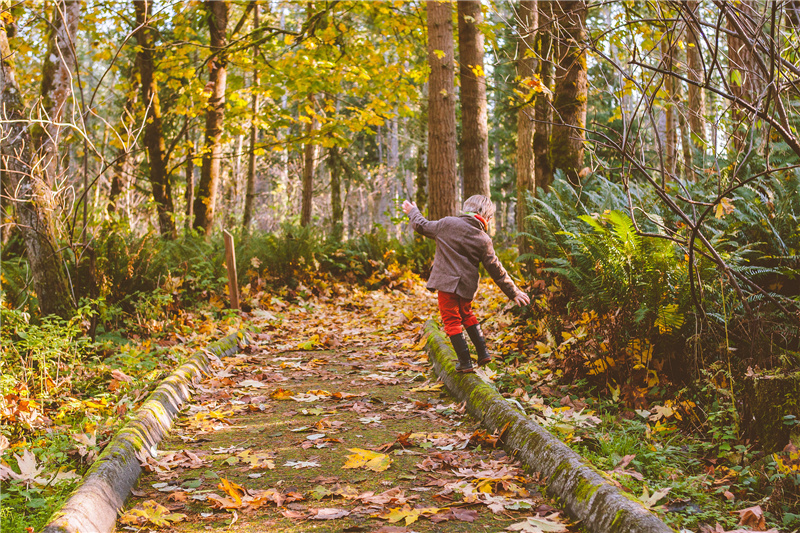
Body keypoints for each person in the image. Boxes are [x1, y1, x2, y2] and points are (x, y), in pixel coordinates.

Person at [402, 195, 530, 373]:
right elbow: (496, 269)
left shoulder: (447, 224)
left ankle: (465, 363)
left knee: (451, 320)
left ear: (465, 208)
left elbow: (421, 225)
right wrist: (514, 292)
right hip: (466, 287)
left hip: (446, 284)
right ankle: (483, 353)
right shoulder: (483, 239)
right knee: (466, 314)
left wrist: (413, 211)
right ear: (488, 218)